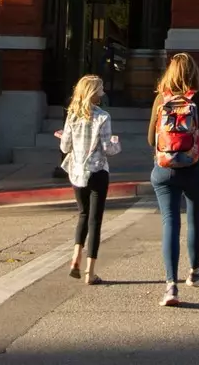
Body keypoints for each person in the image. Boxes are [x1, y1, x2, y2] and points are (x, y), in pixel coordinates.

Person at [147, 52, 199, 306]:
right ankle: (194, 270)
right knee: (194, 218)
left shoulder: (161, 98)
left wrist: (166, 154)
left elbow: (150, 139)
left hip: (165, 170)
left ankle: (171, 286)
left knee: (170, 222)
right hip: (196, 166)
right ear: (194, 73)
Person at [58, 73, 122, 285]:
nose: (103, 92)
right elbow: (107, 149)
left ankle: (76, 256)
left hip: (77, 173)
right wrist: (116, 143)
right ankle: (90, 272)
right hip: (97, 172)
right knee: (96, 220)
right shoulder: (103, 117)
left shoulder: (72, 115)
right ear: (94, 93)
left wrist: (66, 138)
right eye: (101, 89)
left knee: (83, 214)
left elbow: (64, 147)